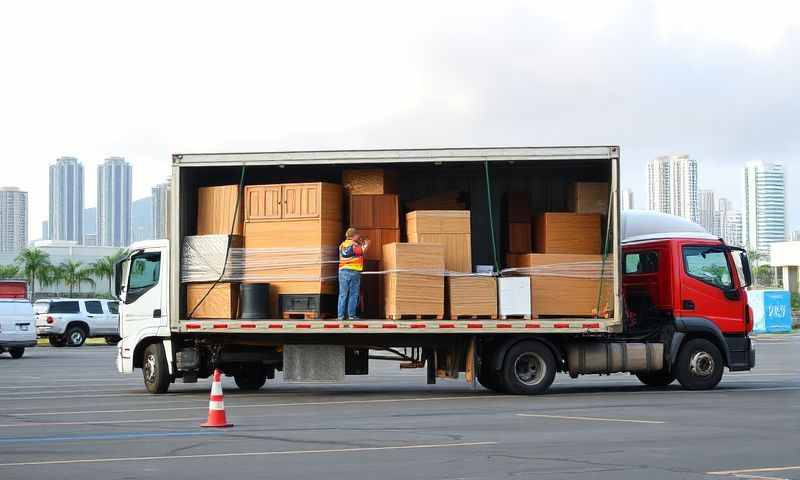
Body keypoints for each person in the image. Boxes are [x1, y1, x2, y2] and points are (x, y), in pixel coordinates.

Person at [338, 227, 369, 320]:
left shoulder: (342, 245)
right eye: (357, 235)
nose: (358, 237)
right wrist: (366, 245)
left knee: (343, 294)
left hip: (342, 271)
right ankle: (351, 315)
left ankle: (340, 316)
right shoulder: (354, 244)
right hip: (353, 272)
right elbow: (361, 252)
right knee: (353, 294)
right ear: (354, 236)